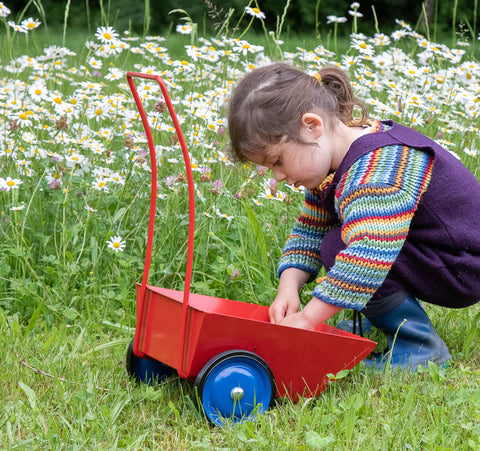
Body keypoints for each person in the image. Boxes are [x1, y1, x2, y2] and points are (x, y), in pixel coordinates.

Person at [227, 62, 480, 370]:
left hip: (463, 266)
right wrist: (288, 287)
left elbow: (368, 254)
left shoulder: (376, 171)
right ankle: (384, 327)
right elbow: (310, 230)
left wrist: (309, 319)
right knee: (333, 240)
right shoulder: (334, 163)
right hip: (434, 253)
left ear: (312, 125)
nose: (277, 176)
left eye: (278, 160)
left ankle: (420, 348)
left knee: (344, 246)